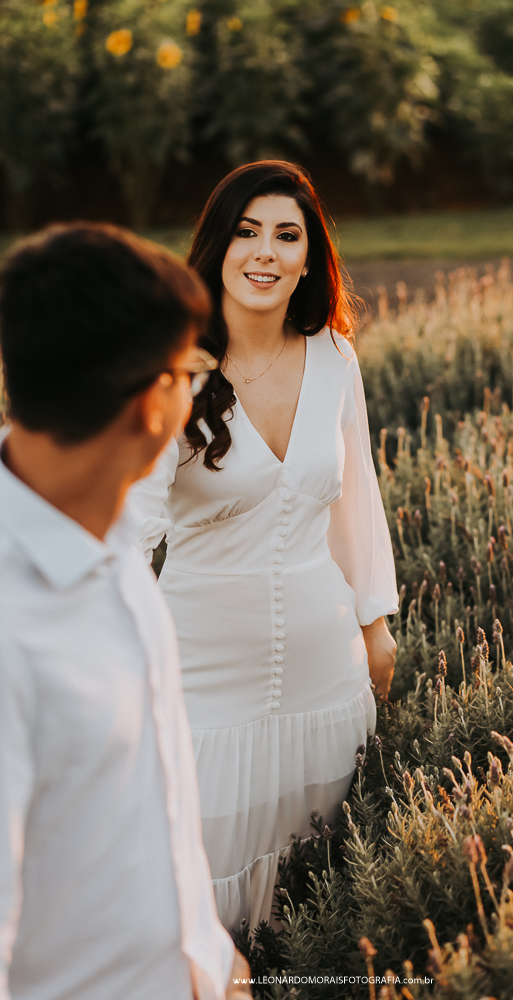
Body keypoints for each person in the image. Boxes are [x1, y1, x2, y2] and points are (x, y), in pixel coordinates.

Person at [130, 160, 399, 932]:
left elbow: (358, 502)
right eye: (246, 232)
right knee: (189, 897)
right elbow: (124, 536)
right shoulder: (169, 372)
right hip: (201, 688)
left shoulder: (334, 358)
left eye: (287, 235)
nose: (265, 253)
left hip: (328, 680)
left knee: (316, 898)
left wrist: (374, 625)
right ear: (216, 247)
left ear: (310, 257)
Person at [0, 223, 252, 1000]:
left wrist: (211, 960)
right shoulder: (13, 631)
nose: (199, 386)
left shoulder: (106, 534)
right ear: (153, 403)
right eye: (191, 369)